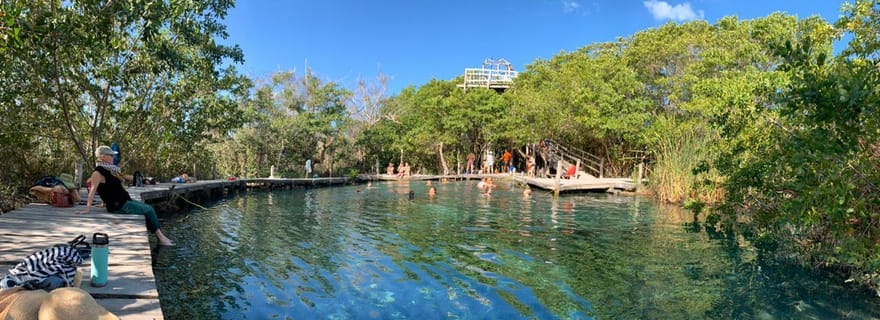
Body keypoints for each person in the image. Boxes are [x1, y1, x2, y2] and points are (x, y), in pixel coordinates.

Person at [77, 146, 174, 246]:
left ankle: (160, 237)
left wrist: (103, 203)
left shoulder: (110, 169)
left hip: (125, 200)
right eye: (110, 155)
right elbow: (93, 190)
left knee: (148, 209)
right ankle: (161, 238)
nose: (113, 157)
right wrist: (87, 208)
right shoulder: (97, 173)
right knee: (149, 210)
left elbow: (107, 189)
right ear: (102, 157)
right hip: (118, 205)